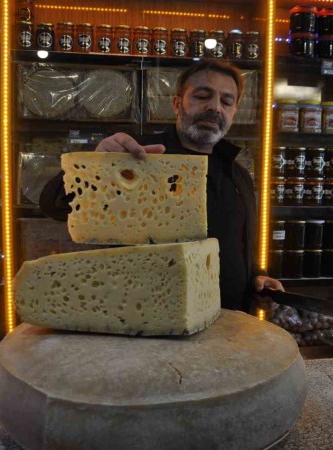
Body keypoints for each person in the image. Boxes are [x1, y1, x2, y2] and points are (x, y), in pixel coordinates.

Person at [40, 60, 283, 312]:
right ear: (177, 104)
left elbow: (240, 244)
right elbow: (52, 205)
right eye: (202, 96)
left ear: (233, 112)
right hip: (149, 316)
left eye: (226, 101)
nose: (215, 107)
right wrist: (96, 167)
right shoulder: (136, 156)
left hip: (228, 319)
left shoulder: (238, 174)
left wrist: (257, 277)